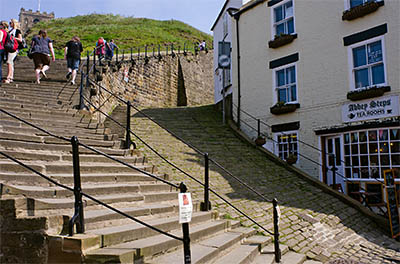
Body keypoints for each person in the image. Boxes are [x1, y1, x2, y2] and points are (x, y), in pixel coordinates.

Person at [5, 19, 23, 83]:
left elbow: (20, 39)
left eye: (11, 23)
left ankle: (9, 77)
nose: (10, 24)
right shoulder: (10, 31)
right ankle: (11, 77)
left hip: (14, 48)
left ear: (14, 23)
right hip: (9, 48)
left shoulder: (17, 31)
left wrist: (13, 37)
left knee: (9, 62)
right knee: (10, 63)